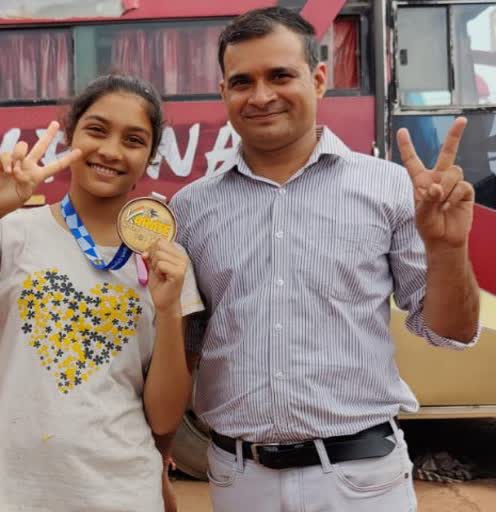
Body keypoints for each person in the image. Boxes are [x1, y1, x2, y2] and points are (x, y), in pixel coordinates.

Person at [169, 7, 480, 512]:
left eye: (280, 75)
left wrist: (448, 250)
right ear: (223, 92)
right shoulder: (191, 208)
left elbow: (452, 331)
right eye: (242, 81)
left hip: (360, 480)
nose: (262, 95)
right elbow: (184, 347)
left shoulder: (389, 188)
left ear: (317, 79)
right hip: (238, 480)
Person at [0, 74, 204, 512]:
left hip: (121, 493)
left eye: (134, 140)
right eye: (97, 130)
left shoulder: (167, 262)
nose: (110, 150)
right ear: (70, 137)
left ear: (149, 158)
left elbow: (163, 418)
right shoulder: (14, 232)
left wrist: (168, 307)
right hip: (7, 491)